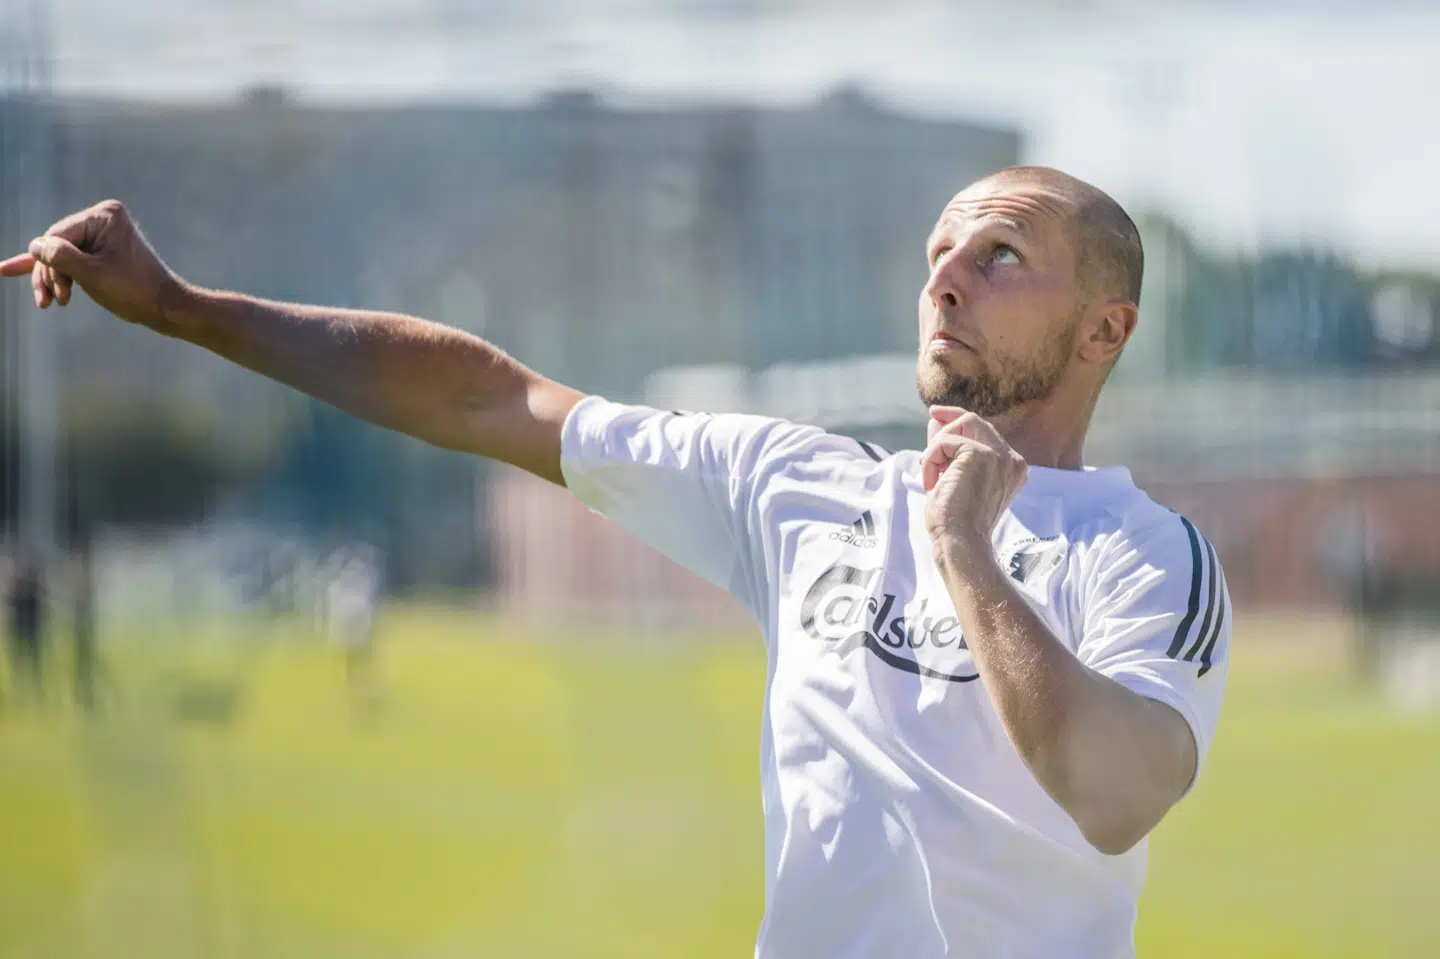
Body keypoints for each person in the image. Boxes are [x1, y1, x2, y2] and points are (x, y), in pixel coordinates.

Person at [2, 166, 1231, 958]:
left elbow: (1117, 794)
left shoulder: (1146, 554)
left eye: (999, 254)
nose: (944, 278)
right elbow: (486, 399)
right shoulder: (797, 487)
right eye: (936, 253)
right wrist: (181, 308)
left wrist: (962, 544)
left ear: (1104, 329)